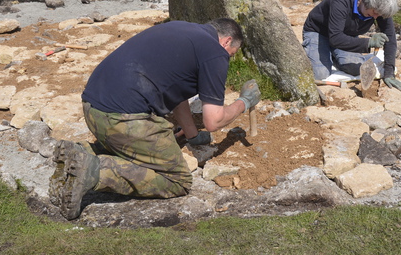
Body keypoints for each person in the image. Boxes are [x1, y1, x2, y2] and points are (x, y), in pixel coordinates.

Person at [49, 18, 261, 220]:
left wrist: (192, 135)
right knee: (178, 180)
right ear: (226, 41)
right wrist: (244, 101)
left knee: (138, 150)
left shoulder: (181, 29)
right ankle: (96, 171)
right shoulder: (215, 52)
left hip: (92, 109)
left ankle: (81, 152)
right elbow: (213, 121)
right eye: (231, 54)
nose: (228, 59)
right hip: (122, 120)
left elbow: (178, 96)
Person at [302, 0, 401, 91]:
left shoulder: (379, 8)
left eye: (379, 15)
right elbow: (335, 38)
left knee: (356, 69)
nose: (376, 17)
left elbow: (390, 37)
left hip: (346, 35)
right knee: (320, 73)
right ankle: (315, 50)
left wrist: (389, 72)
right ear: (366, 1)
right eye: (374, 12)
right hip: (318, 32)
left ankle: (333, 55)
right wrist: (368, 43)